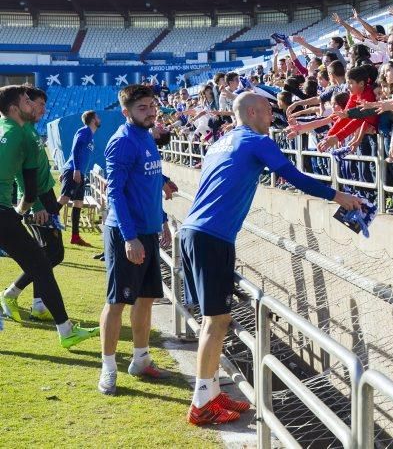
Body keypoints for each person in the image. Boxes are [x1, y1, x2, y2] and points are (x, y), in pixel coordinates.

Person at [181, 92, 361, 425]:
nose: (271, 118)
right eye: (267, 111)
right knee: (215, 321)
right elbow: (295, 178)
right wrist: (339, 195)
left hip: (196, 232)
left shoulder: (222, 142)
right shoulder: (254, 140)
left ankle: (210, 394)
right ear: (252, 111)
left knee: (214, 319)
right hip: (212, 238)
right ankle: (200, 403)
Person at [0, 85, 99, 347]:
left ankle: (39, 308)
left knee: (46, 258)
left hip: (21, 207)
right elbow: (29, 187)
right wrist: (25, 210)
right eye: (28, 101)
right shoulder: (25, 136)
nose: (35, 107)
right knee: (45, 261)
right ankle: (61, 327)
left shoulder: (9, 128)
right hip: (21, 208)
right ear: (15, 108)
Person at [98, 85, 175, 396]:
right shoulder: (121, 142)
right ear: (126, 112)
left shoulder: (146, 135)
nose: (151, 111)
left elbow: (149, 181)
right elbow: (114, 192)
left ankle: (140, 360)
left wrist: (163, 220)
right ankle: (108, 368)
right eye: (142, 108)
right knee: (117, 302)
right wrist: (130, 238)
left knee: (145, 298)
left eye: (152, 106)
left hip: (147, 230)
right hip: (124, 233)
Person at [2, 87, 65, 322]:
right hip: (36, 198)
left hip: (45, 195)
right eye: (37, 103)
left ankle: (37, 302)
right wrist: (36, 204)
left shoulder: (30, 129)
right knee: (49, 252)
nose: (42, 109)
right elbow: (20, 173)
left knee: (50, 251)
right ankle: (13, 293)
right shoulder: (21, 130)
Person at [59, 109, 101, 246]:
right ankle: (47, 219)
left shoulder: (91, 135)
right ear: (93, 120)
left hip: (79, 172)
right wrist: (75, 169)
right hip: (74, 170)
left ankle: (75, 237)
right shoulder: (84, 131)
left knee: (78, 203)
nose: (100, 119)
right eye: (98, 117)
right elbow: (75, 149)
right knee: (64, 198)